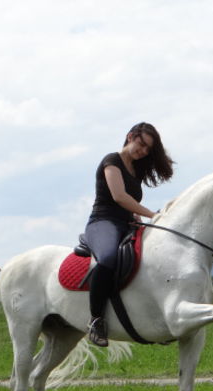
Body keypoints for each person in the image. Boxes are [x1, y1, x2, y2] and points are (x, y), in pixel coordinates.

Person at [85, 122, 174, 346]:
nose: (143, 151)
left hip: (127, 224)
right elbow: (119, 197)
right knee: (107, 260)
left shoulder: (137, 168)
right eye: (141, 144)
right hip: (103, 221)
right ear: (130, 136)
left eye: (147, 149)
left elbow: (130, 204)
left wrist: (140, 219)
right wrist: (153, 215)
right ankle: (96, 320)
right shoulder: (111, 160)